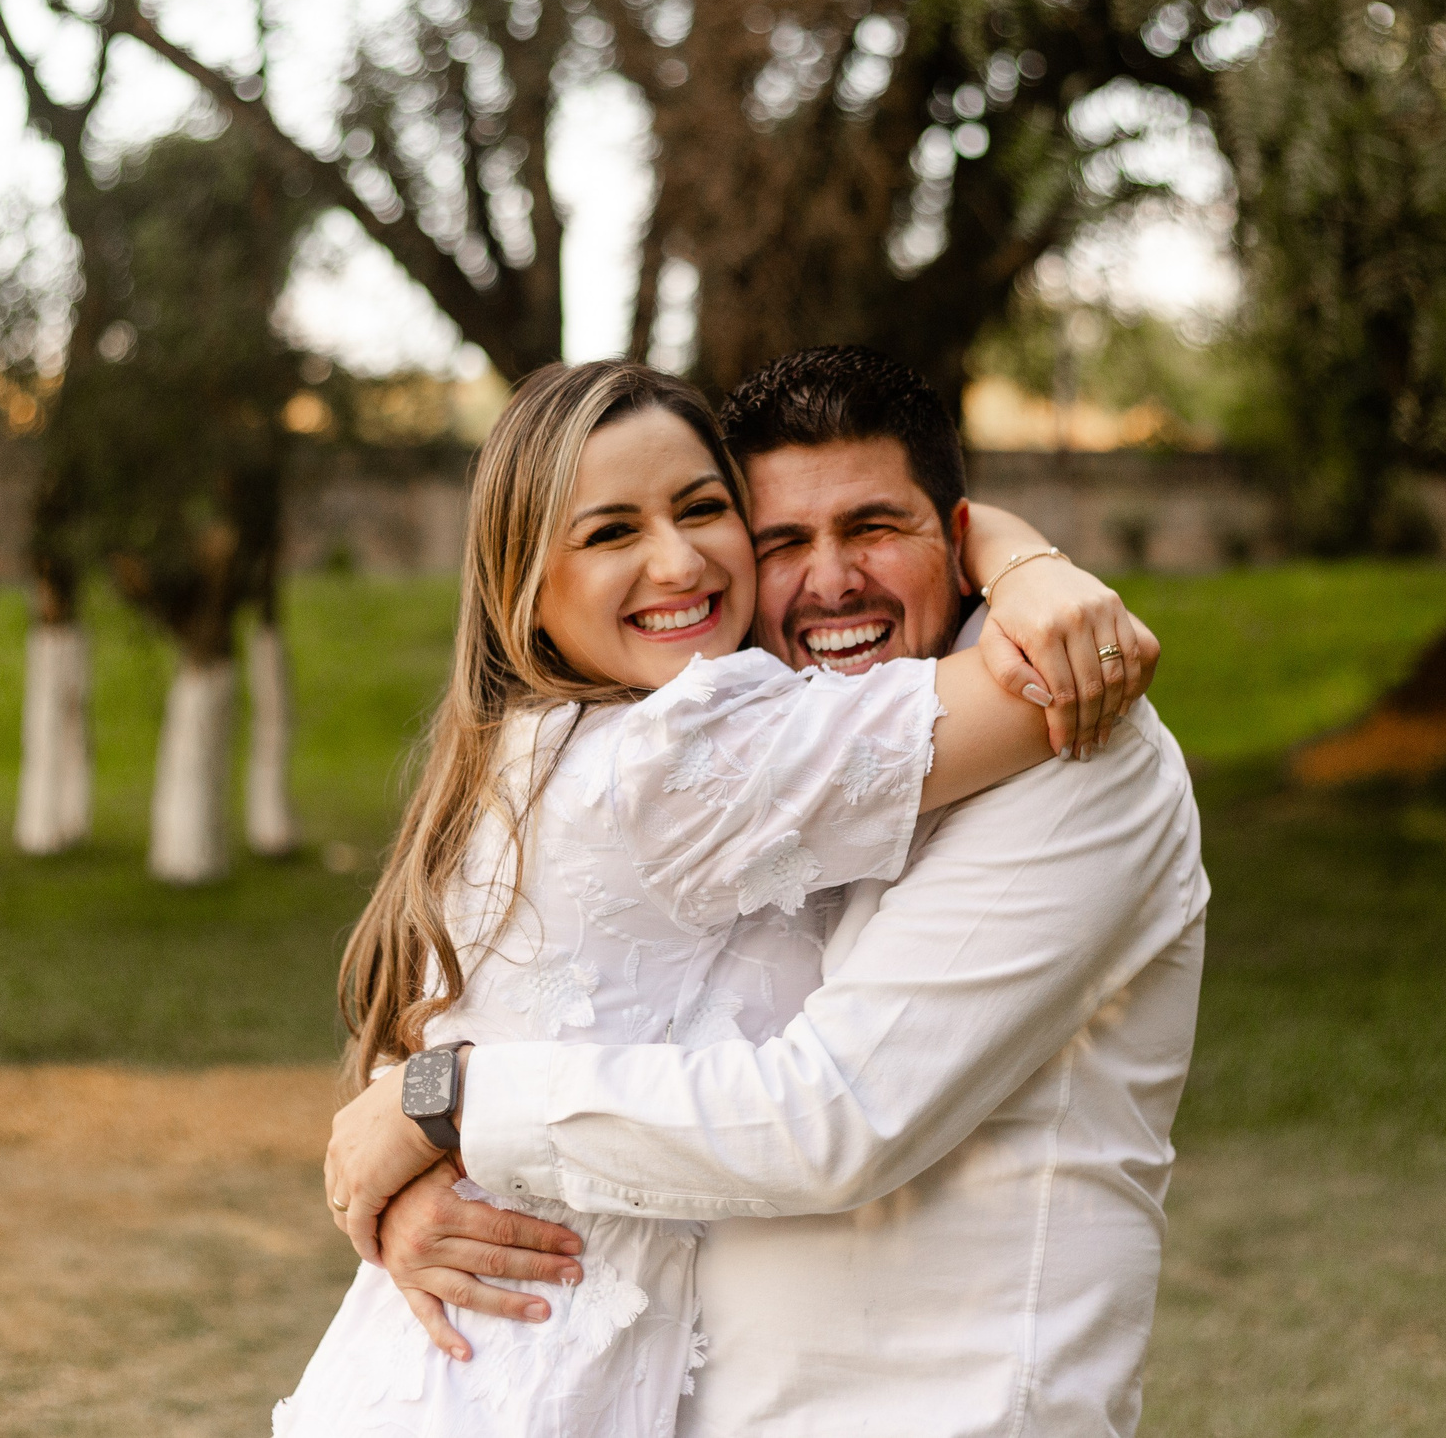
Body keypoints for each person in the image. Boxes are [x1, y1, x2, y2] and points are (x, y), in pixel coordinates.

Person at [326, 346, 1207, 1438]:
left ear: (951, 537)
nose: (829, 581)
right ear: (525, 589)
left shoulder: (1083, 748)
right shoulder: (688, 754)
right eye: (783, 540)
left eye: (875, 527)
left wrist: (455, 1109)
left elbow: (832, 1118)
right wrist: (425, 1132)